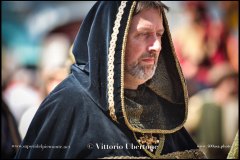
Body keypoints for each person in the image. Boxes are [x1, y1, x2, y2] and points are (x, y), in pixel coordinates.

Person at [15, 1, 207, 159]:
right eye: (143, 35)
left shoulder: (161, 108)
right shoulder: (68, 102)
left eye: (159, 34)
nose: (156, 46)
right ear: (112, 42)